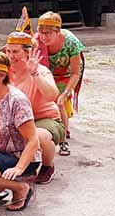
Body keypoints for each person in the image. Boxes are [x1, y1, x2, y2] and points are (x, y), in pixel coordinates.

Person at [0, 32, 63, 185]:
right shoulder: (4, 70)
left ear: (27, 52)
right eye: (8, 51)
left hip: (44, 118)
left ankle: (47, 166)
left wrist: (34, 73)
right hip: (16, 120)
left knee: (36, 136)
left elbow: (52, 96)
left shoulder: (40, 70)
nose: (11, 55)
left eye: (15, 51)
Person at [0, 51, 41, 211]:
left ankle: (20, 189)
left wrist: (18, 168)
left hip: (20, 156)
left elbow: (33, 140)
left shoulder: (17, 100)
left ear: (2, 75)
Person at [35, 11, 84, 156]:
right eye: (41, 32)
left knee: (59, 102)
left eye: (48, 33)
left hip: (65, 74)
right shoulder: (35, 41)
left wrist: (66, 93)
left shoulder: (71, 42)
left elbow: (75, 73)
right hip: (44, 73)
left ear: (58, 31)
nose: (44, 37)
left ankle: (63, 141)